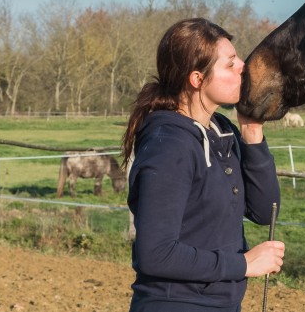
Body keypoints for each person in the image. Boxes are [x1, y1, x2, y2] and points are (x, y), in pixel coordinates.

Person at [122, 18, 284, 312]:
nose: (242, 68)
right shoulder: (169, 146)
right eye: (230, 63)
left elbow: (264, 211)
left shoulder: (222, 132)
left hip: (222, 304)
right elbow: (156, 253)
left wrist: (252, 135)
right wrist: (243, 264)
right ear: (197, 79)